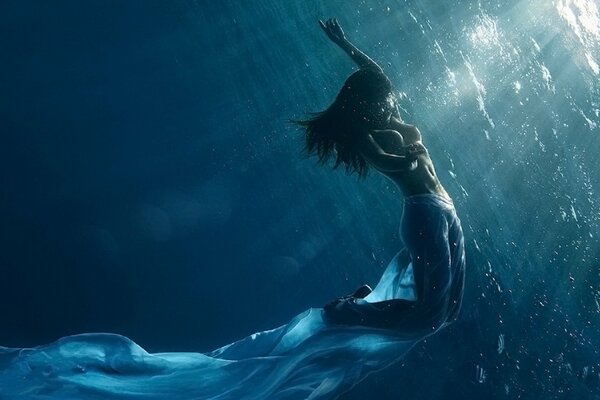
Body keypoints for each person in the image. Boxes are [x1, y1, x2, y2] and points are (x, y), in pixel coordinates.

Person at [296, 18, 466, 339]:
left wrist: (344, 43)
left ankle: (365, 303)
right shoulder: (365, 132)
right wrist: (404, 160)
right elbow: (381, 160)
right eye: (380, 96)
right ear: (367, 101)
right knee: (428, 314)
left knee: (449, 307)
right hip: (424, 214)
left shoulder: (392, 115)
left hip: (446, 210)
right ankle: (347, 309)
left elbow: (375, 72)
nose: (387, 97)